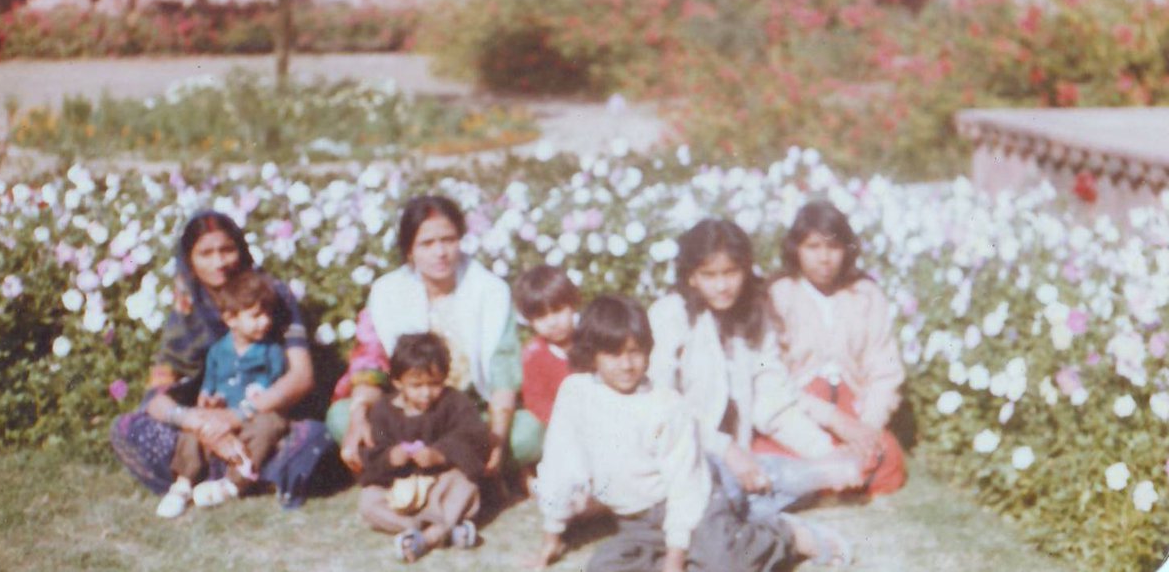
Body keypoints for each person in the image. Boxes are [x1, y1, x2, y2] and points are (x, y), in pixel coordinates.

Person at [533, 295, 850, 572]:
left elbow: (685, 484)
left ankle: (786, 535)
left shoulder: (665, 404)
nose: (627, 364)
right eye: (614, 354)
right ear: (592, 354)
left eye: (635, 352)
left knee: (724, 563)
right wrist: (552, 533)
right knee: (604, 567)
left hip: (694, 503)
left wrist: (675, 556)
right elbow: (561, 462)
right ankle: (707, 548)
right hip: (637, 522)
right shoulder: (576, 393)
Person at [111, 210, 331, 508]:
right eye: (206, 253)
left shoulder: (271, 295)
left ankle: (217, 472)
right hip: (206, 418)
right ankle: (237, 471)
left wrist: (236, 416)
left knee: (315, 436)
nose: (219, 262)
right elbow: (158, 392)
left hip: (264, 414)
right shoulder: (188, 305)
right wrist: (197, 422)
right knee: (128, 428)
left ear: (241, 249)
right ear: (189, 259)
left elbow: (301, 377)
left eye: (227, 250)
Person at [647, 219, 862, 521]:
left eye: (731, 272)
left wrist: (823, 451)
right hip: (688, 447)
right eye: (709, 275)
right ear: (692, 277)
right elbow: (663, 405)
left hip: (741, 454)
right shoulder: (671, 315)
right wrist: (726, 449)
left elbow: (771, 399)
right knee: (724, 491)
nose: (722, 285)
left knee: (839, 465)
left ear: (746, 270)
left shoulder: (753, 313)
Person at [330, 195, 538, 481]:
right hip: (408, 415)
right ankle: (444, 465)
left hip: (466, 414)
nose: (440, 252)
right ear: (409, 251)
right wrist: (358, 416)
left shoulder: (490, 291)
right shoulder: (387, 292)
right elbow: (372, 363)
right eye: (426, 244)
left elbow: (503, 373)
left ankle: (435, 466)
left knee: (527, 432)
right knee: (342, 417)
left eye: (448, 239)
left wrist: (498, 439)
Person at [759, 200, 907, 497]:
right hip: (803, 405)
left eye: (834, 247)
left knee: (888, 458)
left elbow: (885, 369)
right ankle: (829, 478)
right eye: (813, 247)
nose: (824, 258)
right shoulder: (779, 294)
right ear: (796, 249)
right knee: (768, 451)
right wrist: (830, 419)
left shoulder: (865, 295)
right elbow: (774, 379)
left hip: (854, 405)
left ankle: (827, 481)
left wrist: (867, 428)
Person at [156, 271, 291, 518]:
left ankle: (232, 483)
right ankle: (183, 484)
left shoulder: (271, 350)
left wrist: (256, 396)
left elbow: (275, 386)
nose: (266, 321)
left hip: (254, 415)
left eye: (268, 314)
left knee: (271, 424)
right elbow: (209, 384)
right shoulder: (219, 351)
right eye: (256, 315)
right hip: (223, 414)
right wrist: (208, 399)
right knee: (195, 424)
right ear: (231, 318)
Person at [357, 333, 491, 563]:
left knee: (465, 485)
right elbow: (372, 453)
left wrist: (441, 454)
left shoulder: (455, 403)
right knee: (368, 501)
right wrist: (390, 458)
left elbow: (473, 437)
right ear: (398, 382)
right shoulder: (382, 411)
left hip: (440, 484)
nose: (426, 392)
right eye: (416, 385)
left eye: (434, 383)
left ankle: (428, 537)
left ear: (445, 378)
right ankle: (440, 529)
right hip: (401, 491)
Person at [513, 265, 579, 432]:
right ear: (530, 320)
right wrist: (564, 422)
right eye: (541, 316)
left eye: (557, 311)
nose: (552, 323)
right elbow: (536, 400)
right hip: (560, 426)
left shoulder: (592, 340)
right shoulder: (534, 354)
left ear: (573, 305)